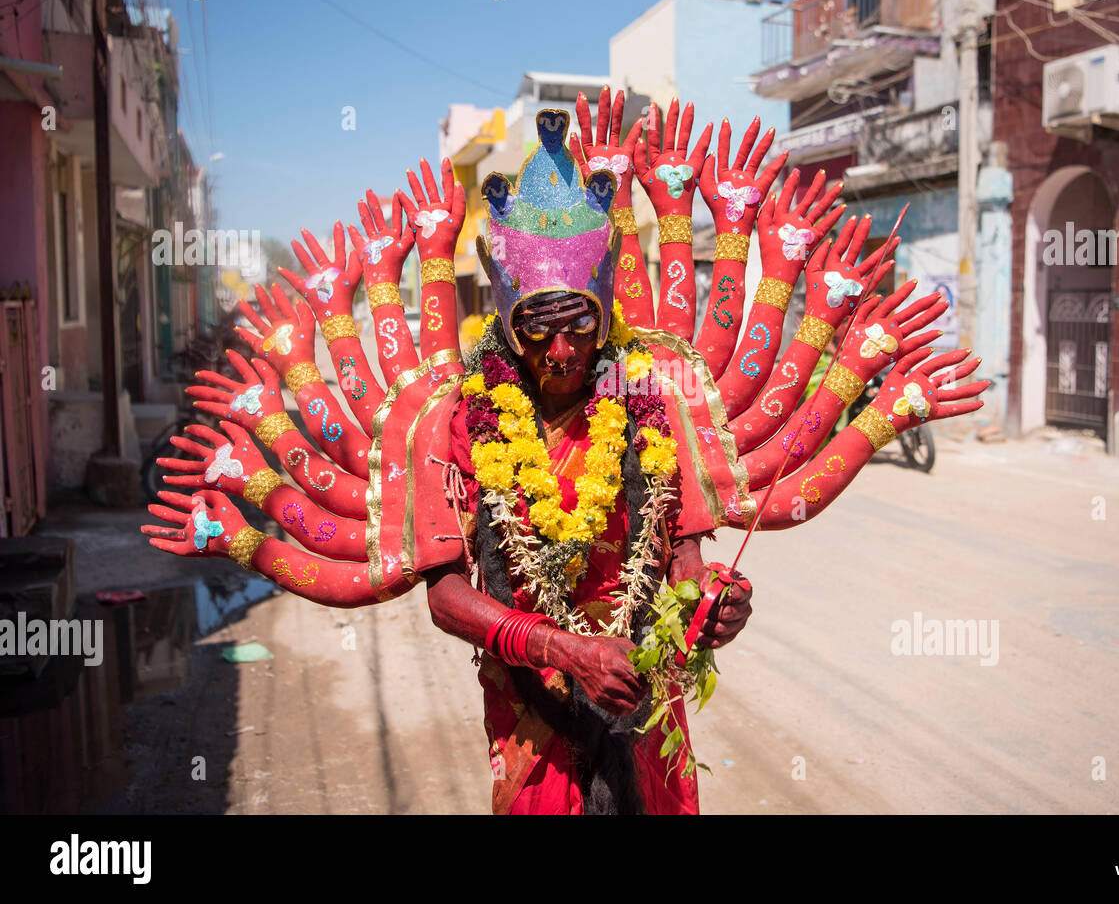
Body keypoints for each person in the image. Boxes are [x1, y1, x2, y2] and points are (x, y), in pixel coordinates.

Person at [141, 90, 989, 815]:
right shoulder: (460, 418)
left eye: (577, 324)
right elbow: (444, 597)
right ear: (508, 323)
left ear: (603, 312)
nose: (559, 350)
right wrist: (562, 648)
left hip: (646, 699)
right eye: (536, 328)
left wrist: (714, 610)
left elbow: (686, 553)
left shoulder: (654, 398)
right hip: (530, 706)